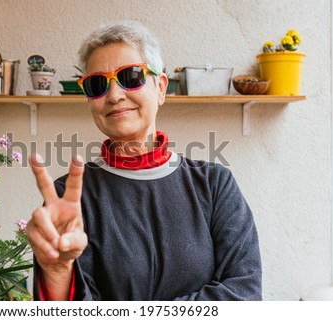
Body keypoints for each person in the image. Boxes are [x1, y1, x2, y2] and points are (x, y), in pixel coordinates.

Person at [26, 20, 262, 301]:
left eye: (131, 76)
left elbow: (244, 293)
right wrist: (57, 273)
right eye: (97, 84)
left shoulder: (214, 184)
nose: (114, 96)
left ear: (161, 88)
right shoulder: (68, 198)